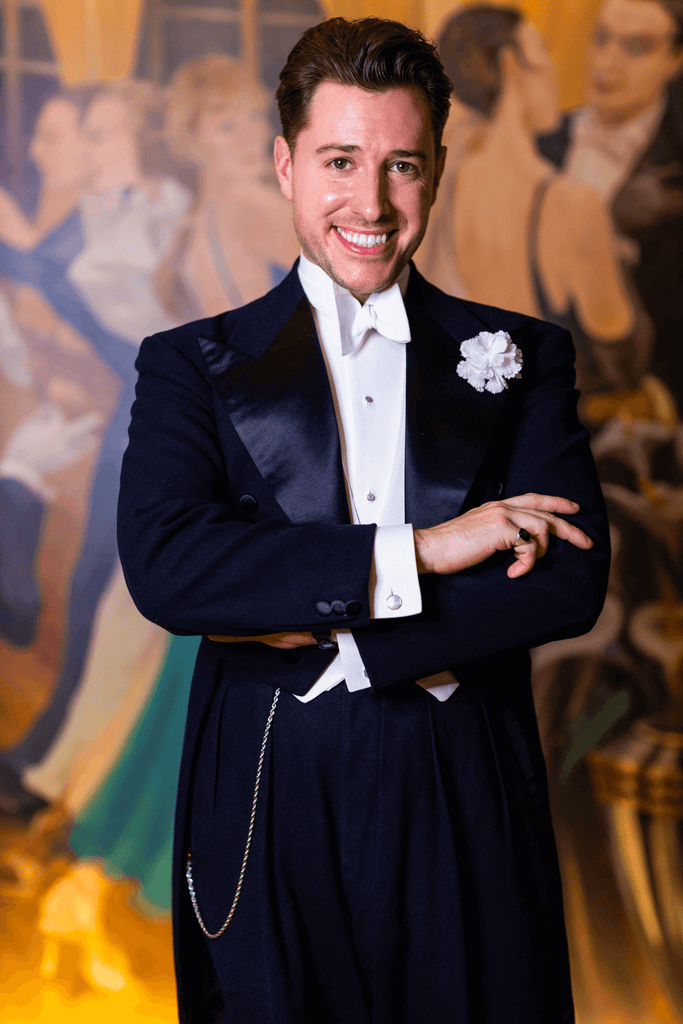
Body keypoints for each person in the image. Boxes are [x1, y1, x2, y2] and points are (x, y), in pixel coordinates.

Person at [117, 17, 611, 1024]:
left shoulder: (523, 355)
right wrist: (427, 551)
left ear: (436, 169)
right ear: (285, 163)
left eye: (402, 166)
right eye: (340, 160)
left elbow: (566, 578)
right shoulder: (189, 364)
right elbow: (170, 570)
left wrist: (292, 597)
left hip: (458, 766)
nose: (371, 203)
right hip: (266, 769)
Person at [419, 5, 648, 395]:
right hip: (544, 437)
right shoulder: (570, 205)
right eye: (542, 54)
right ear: (511, 65)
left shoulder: (442, 183)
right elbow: (622, 355)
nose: (556, 74)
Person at [538, 0, 683, 408]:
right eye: (602, 39)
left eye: (636, 47)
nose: (607, 62)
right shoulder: (539, 145)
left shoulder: (672, 170)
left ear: (674, 61)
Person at [157, 54, 298, 321]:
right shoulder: (245, 203)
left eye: (255, 117)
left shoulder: (195, 219)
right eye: (227, 126)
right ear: (193, 140)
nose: (251, 136)